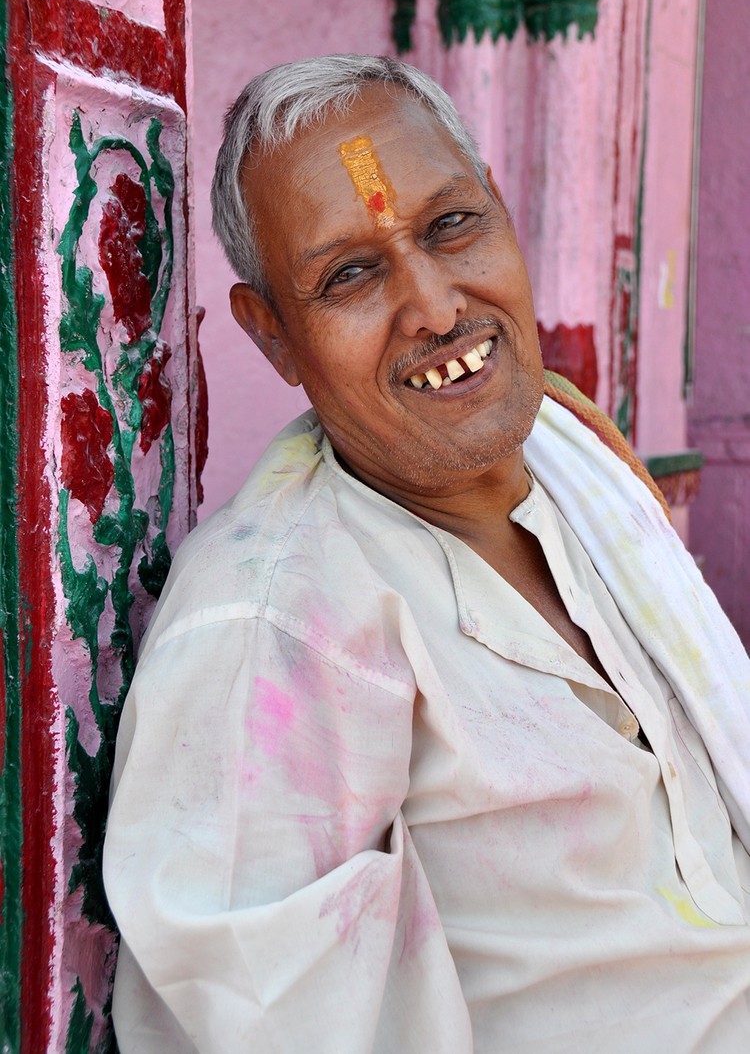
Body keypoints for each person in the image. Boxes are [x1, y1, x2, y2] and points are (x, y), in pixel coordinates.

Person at [103, 54, 750, 1053]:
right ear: (273, 335)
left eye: (452, 225)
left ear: (500, 209)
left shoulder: (570, 448)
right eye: (350, 274)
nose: (438, 306)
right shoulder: (272, 631)